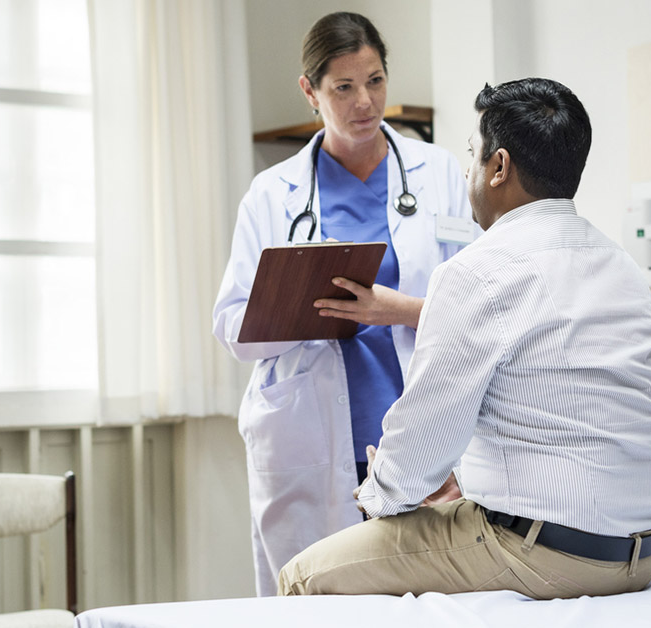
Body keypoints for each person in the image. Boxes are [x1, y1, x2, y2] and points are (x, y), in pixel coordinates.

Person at [277, 77, 651, 600]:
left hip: (545, 555)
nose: (468, 170)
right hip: (639, 553)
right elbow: (567, 413)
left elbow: (422, 437)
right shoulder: (621, 266)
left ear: (499, 167)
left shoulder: (477, 271)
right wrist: (462, 481)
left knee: (300, 578)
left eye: (473, 153)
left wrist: (379, 492)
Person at [212, 12, 474, 596]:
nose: (365, 102)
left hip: (415, 433)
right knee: (316, 603)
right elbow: (231, 323)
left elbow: (478, 306)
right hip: (311, 436)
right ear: (311, 91)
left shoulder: (438, 174)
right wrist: (301, 305)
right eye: (344, 87)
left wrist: (395, 309)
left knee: (426, 602)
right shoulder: (270, 194)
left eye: (375, 81)